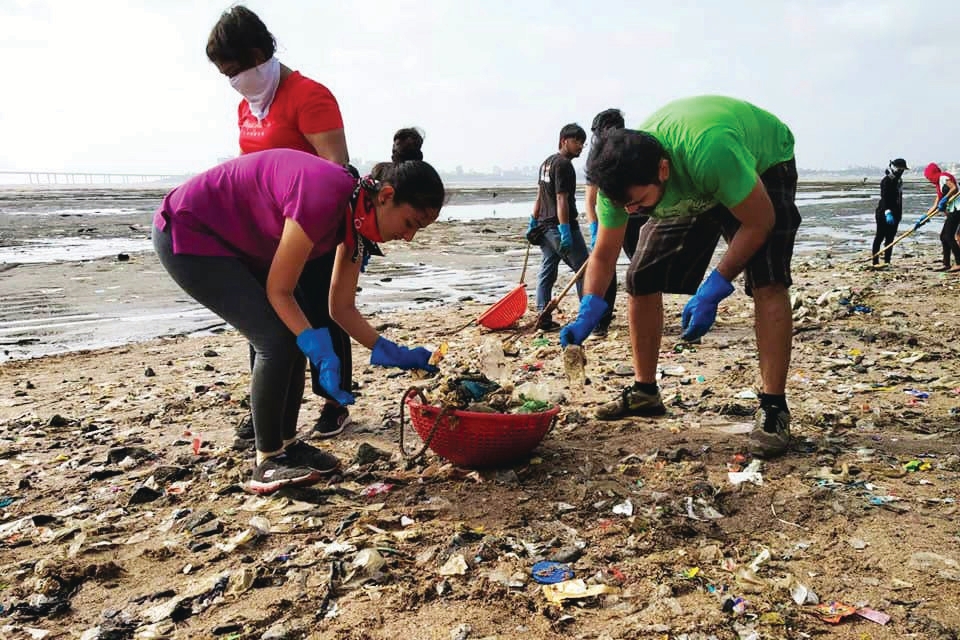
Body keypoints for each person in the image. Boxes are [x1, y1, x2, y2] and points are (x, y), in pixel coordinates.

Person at [151, 135, 444, 494]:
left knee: (294, 332)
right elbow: (279, 291)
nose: (409, 237)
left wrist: (389, 349)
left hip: (243, 242)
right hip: (191, 229)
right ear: (385, 197)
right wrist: (318, 349)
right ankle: (267, 460)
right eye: (410, 222)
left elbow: (341, 306)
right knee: (277, 339)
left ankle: (288, 446)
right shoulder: (323, 195)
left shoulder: (358, 219)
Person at [560, 96, 799, 458]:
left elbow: (759, 221)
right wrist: (589, 307)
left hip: (761, 163)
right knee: (640, 278)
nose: (632, 212)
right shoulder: (621, 184)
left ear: (663, 170)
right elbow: (605, 254)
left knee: (768, 280)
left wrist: (715, 286)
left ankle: (774, 407)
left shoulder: (710, 153)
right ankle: (644, 392)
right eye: (626, 206)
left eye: (638, 203)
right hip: (692, 185)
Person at [206, 5, 355, 441]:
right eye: (225, 75)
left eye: (235, 70)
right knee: (266, 325)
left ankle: (334, 399)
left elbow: (336, 169)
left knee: (319, 316)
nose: (233, 81)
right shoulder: (247, 108)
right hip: (265, 236)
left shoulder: (309, 96)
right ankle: (266, 409)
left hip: (310, 231)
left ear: (258, 53)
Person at [527, 124, 615, 332]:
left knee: (547, 270)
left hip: (544, 227)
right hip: (559, 227)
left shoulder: (546, 163)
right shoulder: (564, 165)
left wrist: (534, 219)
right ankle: (589, 320)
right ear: (563, 140)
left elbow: (540, 195)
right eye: (576, 142)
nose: (580, 147)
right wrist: (565, 230)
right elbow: (561, 198)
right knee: (584, 270)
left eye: (582, 143)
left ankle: (543, 317)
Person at [584, 108, 650, 333]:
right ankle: (600, 320)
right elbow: (590, 199)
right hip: (612, 217)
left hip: (639, 216)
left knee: (643, 266)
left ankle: (647, 314)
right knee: (605, 265)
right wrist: (595, 227)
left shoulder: (634, 147)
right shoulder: (597, 155)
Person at [917, 163, 960, 272]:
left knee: (949, 236)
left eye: (928, 176)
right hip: (952, 211)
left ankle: (959, 263)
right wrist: (924, 217)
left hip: (957, 209)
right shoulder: (939, 186)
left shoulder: (943, 177)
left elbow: (954, 188)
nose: (929, 179)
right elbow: (936, 205)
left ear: (933, 173)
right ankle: (946, 264)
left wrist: (945, 199)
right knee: (943, 237)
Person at [871, 158, 908, 267]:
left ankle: (887, 261)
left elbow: (899, 199)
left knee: (890, 239)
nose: (901, 171)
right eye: (900, 169)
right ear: (894, 168)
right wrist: (887, 212)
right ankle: (875, 261)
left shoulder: (899, 181)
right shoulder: (886, 181)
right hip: (883, 213)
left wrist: (898, 214)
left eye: (903, 170)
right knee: (879, 237)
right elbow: (884, 197)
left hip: (896, 214)